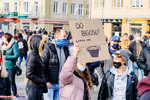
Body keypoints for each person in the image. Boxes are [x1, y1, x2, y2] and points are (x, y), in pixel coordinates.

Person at [42, 29, 69, 100]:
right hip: (50, 84)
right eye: (64, 36)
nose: (66, 38)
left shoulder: (65, 49)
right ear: (57, 37)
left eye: (66, 36)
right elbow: (43, 65)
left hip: (60, 83)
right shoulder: (49, 48)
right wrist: (46, 81)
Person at [26, 35, 47, 100]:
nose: (43, 45)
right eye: (41, 43)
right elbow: (29, 74)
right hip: (33, 88)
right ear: (36, 43)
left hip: (38, 87)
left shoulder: (37, 55)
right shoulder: (33, 56)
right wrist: (41, 80)